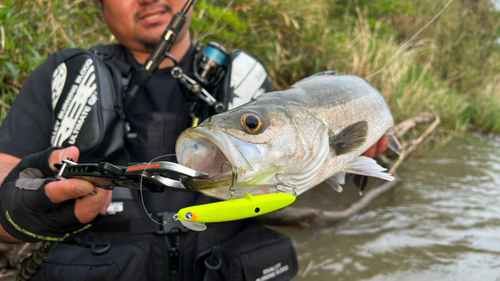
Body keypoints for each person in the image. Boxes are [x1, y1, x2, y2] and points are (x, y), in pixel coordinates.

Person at [0, 0, 388, 280]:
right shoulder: (63, 78)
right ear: (98, 5)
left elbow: (299, 167)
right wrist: (21, 209)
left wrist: (350, 154)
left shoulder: (246, 80)